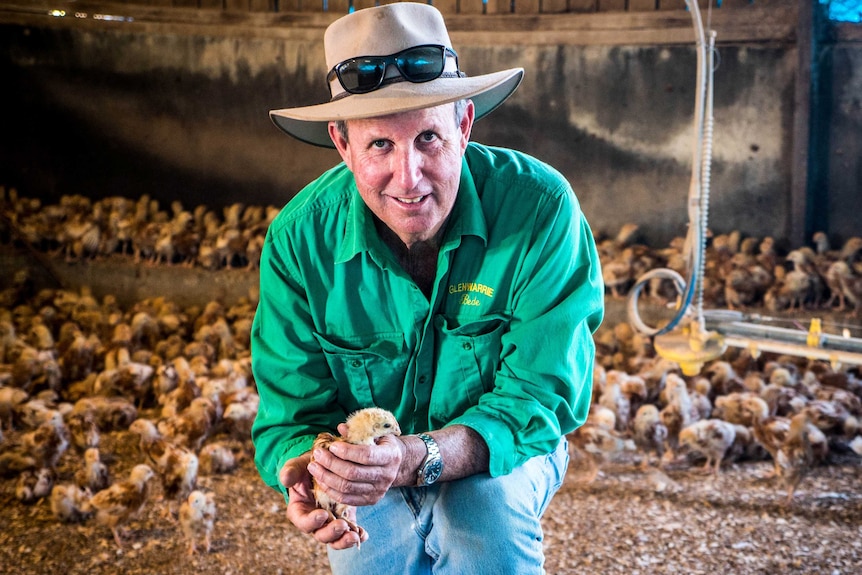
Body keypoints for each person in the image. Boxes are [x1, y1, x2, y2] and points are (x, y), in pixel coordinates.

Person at [250, 3, 604, 574]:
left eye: (429, 139)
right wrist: (309, 474)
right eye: (380, 146)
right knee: (372, 553)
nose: (409, 177)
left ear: (465, 126)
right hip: (372, 467)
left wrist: (416, 457)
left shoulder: (540, 207)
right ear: (342, 144)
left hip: (500, 449)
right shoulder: (299, 240)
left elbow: (540, 395)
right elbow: (290, 416)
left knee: (484, 518)